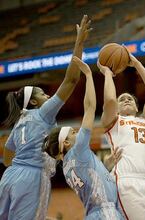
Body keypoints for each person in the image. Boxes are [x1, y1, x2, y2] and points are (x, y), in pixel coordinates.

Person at [0, 15, 92, 220]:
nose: (48, 96)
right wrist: (79, 43)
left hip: (10, 176)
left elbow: (7, 157)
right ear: (33, 102)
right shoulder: (43, 113)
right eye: (42, 94)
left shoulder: (20, 122)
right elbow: (71, 80)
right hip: (32, 177)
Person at [44, 57, 124, 220]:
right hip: (106, 212)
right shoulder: (78, 150)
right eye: (73, 132)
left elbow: (92, 178)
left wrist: (104, 166)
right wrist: (88, 74)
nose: (77, 132)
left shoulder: (67, 167)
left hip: (93, 214)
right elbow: (89, 108)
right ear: (66, 143)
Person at [98, 50, 145, 220]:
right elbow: (110, 100)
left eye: (130, 99)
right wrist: (107, 74)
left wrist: (137, 65)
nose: (126, 99)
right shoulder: (113, 121)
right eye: (122, 99)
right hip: (125, 182)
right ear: (117, 108)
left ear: (136, 108)